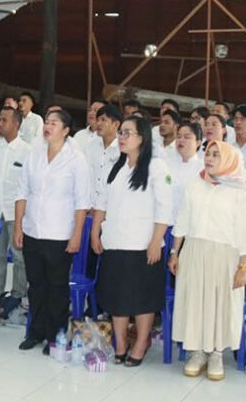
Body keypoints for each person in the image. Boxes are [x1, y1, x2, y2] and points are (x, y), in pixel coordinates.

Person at [169, 140, 246, 381]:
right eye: (208, 154)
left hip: (226, 257)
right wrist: (174, 252)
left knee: (221, 304)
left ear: (229, 159)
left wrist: (243, 267)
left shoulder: (241, 192)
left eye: (216, 155)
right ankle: (197, 352)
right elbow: (183, 219)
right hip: (195, 251)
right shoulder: (195, 184)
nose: (209, 158)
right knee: (195, 302)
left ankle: (217, 354)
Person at [91, 115, 171, 367]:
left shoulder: (157, 167)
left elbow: (165, 208)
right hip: (115, 241)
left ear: (142, 137)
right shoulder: (114, 166)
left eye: (128, 133)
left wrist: (156, 241)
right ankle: (121, 342)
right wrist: (95, 233)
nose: (122, 137)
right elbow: (101, 203)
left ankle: (140, 343)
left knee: (143, 298)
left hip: (143, 245)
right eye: (121, 133)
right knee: (117, 297)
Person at [15, 110, 91, 354]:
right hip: (32, 230)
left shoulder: (76, 159)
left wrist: (77, 234)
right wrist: (18, 226)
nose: (47, 126)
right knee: (35, 284)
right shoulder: (34, 154)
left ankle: (55, 335)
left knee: (57, 287)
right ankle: (35, 331)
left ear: (66, 130)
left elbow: (82, 201)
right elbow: (22, 192)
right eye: (46, 122)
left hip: (60, 233)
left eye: (54, 123)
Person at [0, 107, 32, 311]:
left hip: (16, 214)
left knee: (19, 257)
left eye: (4, 120)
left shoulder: (27, 151)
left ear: (16, 124)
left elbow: (29, 188)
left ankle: (17, 296)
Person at [165, 122, 205, 221]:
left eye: (187, 137)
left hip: (191, 223)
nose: (181, 140)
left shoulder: (203, 168)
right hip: (167, 222)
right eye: (178, 136)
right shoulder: (166, 164)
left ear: (198, 142)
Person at [84, 104, 122, 200]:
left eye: (103, 120)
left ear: (116, 124)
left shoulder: (122, 148)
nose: (99, 123)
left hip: (111, 206)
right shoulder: (90, 145)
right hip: (90, 205)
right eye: (98, 120)